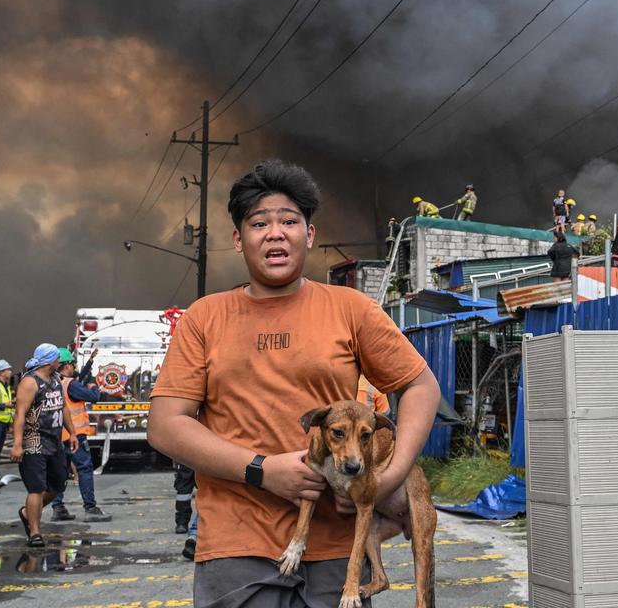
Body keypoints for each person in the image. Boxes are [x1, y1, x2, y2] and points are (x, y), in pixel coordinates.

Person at [148, 158, 440, 605]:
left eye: (289, 220)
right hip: (236, 544)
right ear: (238, 239)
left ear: (310, 234)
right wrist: (261, 471)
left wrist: (388, 475)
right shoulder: (204, 318)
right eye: (259, 223)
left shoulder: (351, 309)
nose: (275, 233)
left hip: (337, 550)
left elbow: (421, 386)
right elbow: (166, 425)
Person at [11, 343, 78, 548]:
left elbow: (63, 407)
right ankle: (35, 532)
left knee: (58, 485)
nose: (61, 361)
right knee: (36, 488)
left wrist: (72, 432)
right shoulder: (30, 382)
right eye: (58, 358)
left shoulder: (56, 380)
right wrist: (17, 444)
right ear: (50, 361)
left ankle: (27, 513)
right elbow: (20, 414)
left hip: (54, 441)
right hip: (35, 441)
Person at [49, 347, 110, 522]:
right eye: (72, 364)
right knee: (84, 469)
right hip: (75, 436)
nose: (74, 367)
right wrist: (93, 384)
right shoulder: (70, 384)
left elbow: (77, 379)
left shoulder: (52, 383)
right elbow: (93, 396)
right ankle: (90, 508)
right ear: (67, 365)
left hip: (57, 436)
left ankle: (58, 508)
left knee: (59, 472)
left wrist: (89, 363)